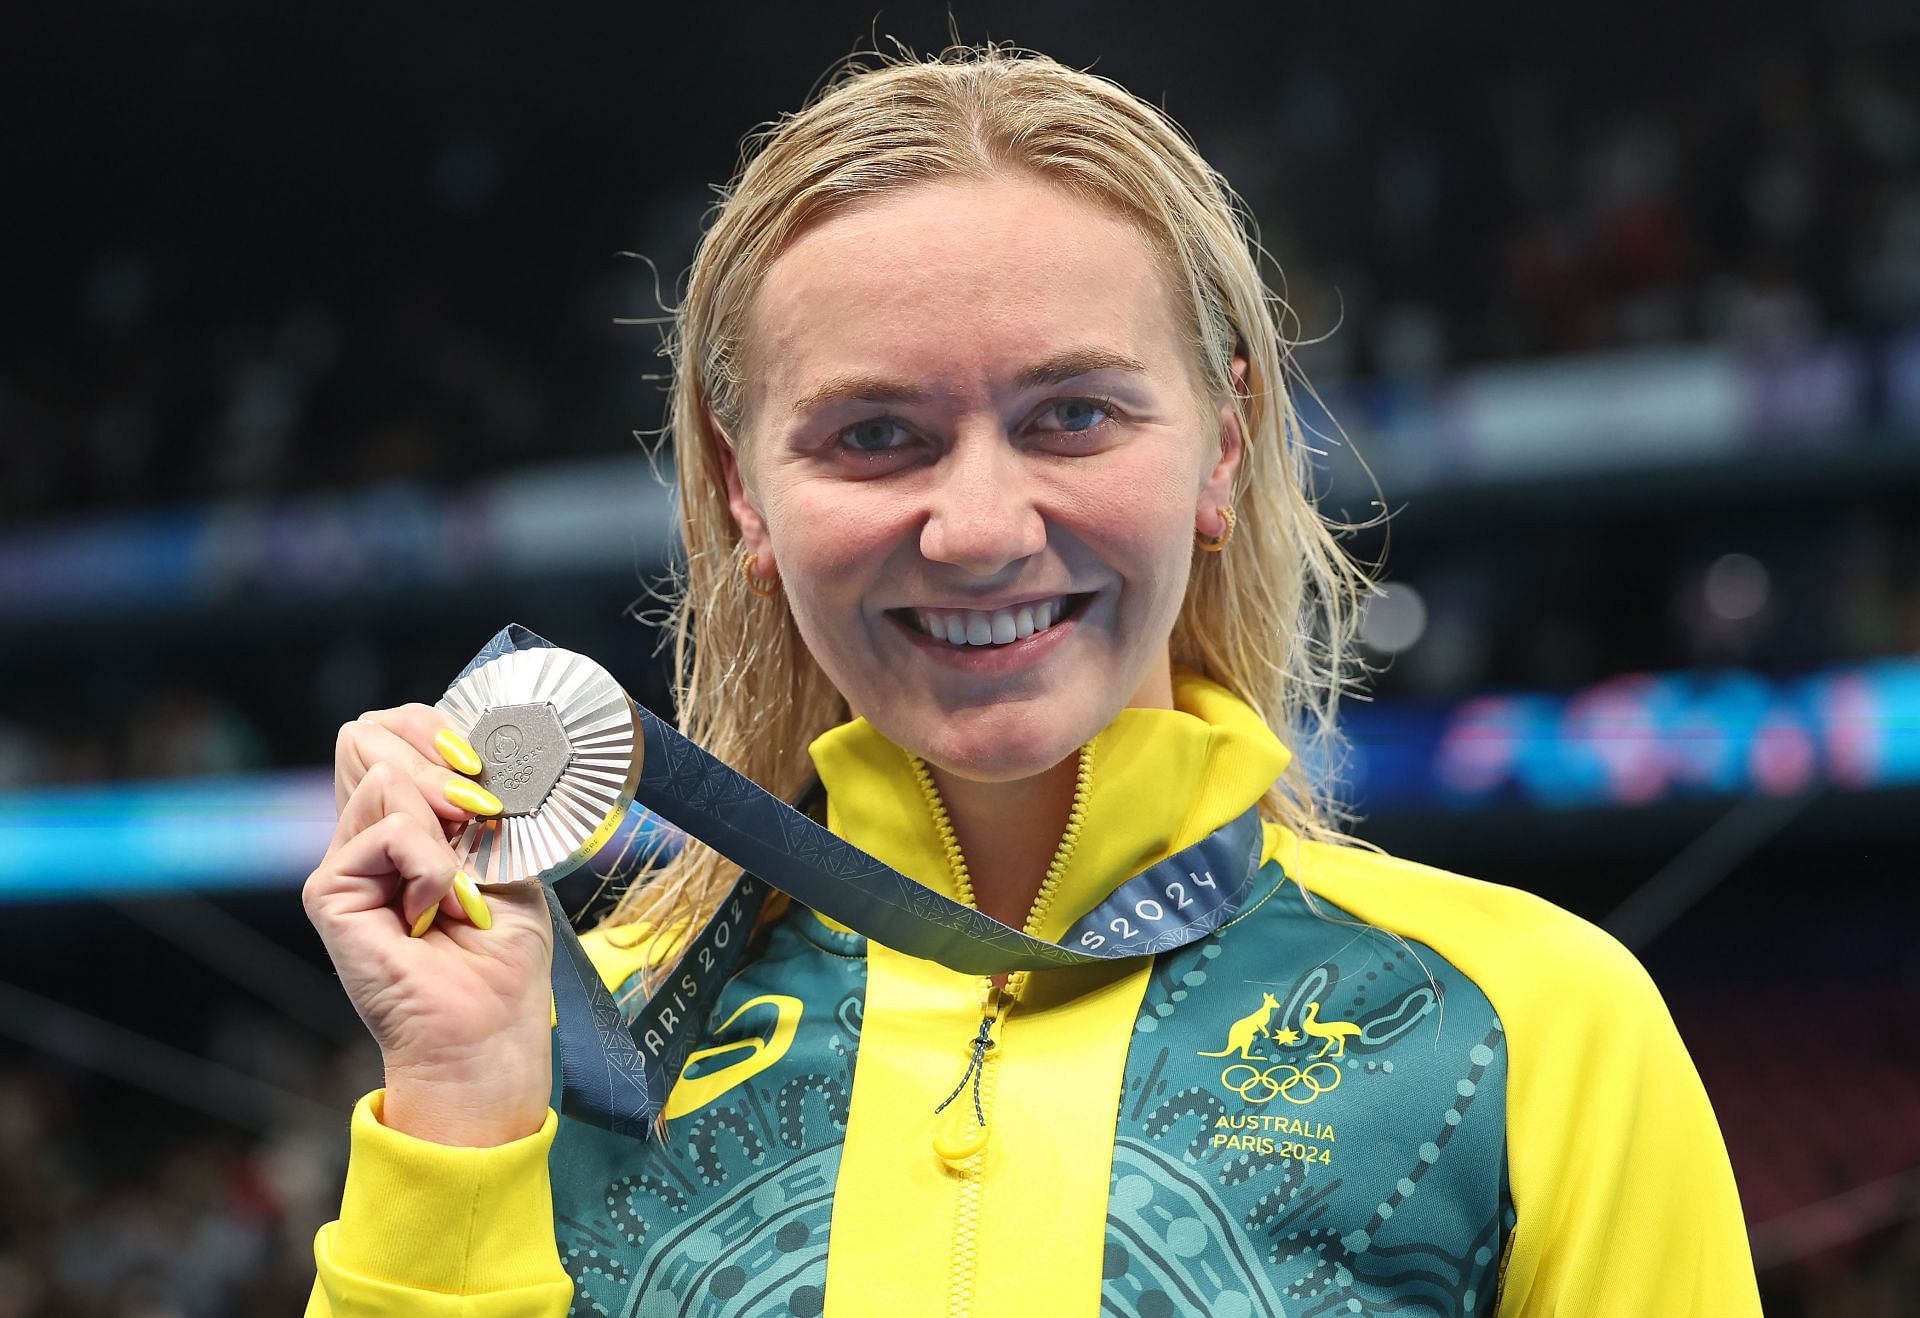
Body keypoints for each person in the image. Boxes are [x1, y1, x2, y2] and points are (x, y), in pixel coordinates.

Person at [301, 43, 1761, 1316]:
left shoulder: (1533, 1023)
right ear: (746, 496)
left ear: (1225, 443)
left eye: (1072, 413)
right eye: (874, 435)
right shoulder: (564, 1044)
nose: (982, 527)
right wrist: (460, 1108)